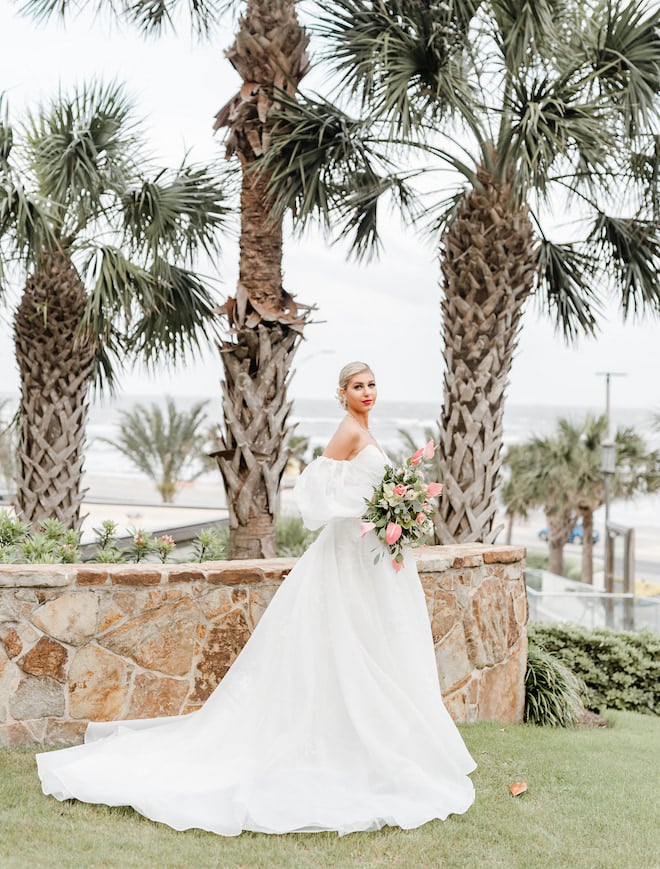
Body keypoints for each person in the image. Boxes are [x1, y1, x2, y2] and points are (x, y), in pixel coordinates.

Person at [36, 361, 476, 836]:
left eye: (372, 384)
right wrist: (366, 510)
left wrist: (396, 511)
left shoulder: (365, 429)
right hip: (347, 553)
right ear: (342, 393)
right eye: (357, 386)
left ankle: (377, 744)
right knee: (348, 645)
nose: (367, 392)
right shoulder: (349, 430)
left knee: (374, 645)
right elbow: (314, 486)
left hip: (373, 555)